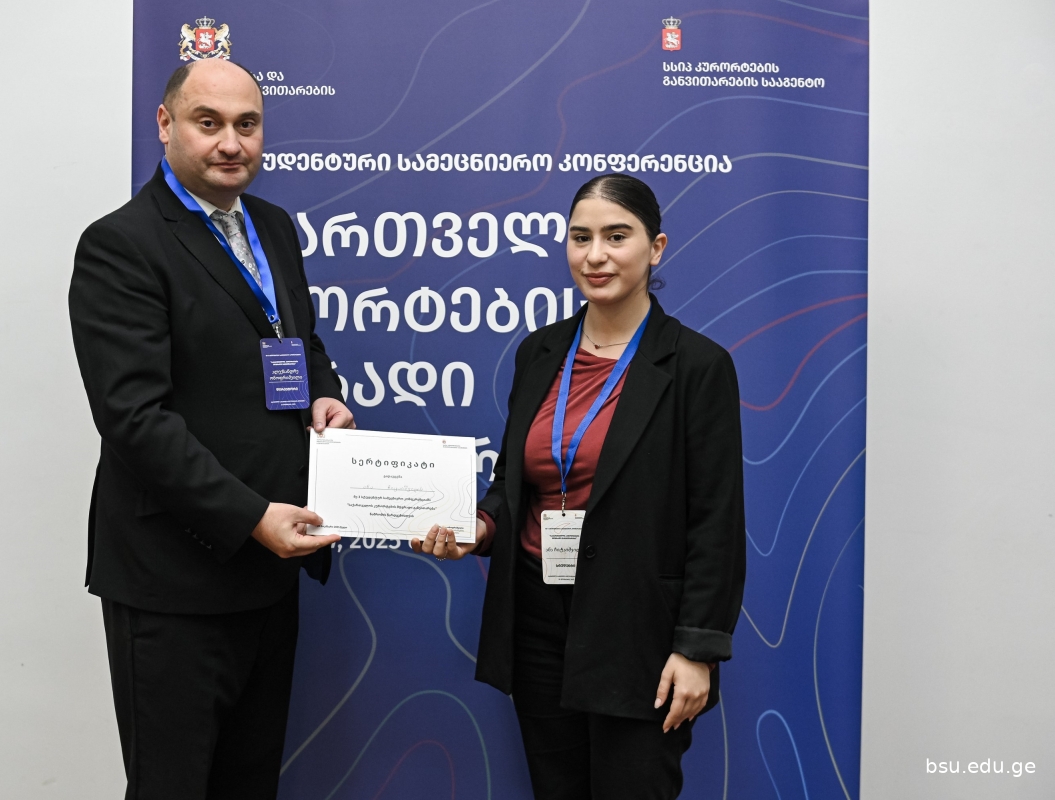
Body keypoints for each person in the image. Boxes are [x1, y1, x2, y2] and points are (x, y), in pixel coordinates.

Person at [68, 58, 352, 799]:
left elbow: (297, 341)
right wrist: (251, 516)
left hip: (268, 573)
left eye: (247, 124)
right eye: (209, 122)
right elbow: (134, 418)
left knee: (248, 784)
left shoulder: (272, 227)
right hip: (174, 577)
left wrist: (323, 395)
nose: (232, 142)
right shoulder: (122, 244)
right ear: (165, 125)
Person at [412, 174, 746, 799]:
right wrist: (480, 525)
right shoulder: (539, 353)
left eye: (617, 237)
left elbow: (716, 522)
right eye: (580, 237)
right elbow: (515, 481)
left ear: (656, 248)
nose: (595, 255)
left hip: (639, 631)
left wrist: (697, 649)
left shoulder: (698, 367)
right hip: (537, 622)